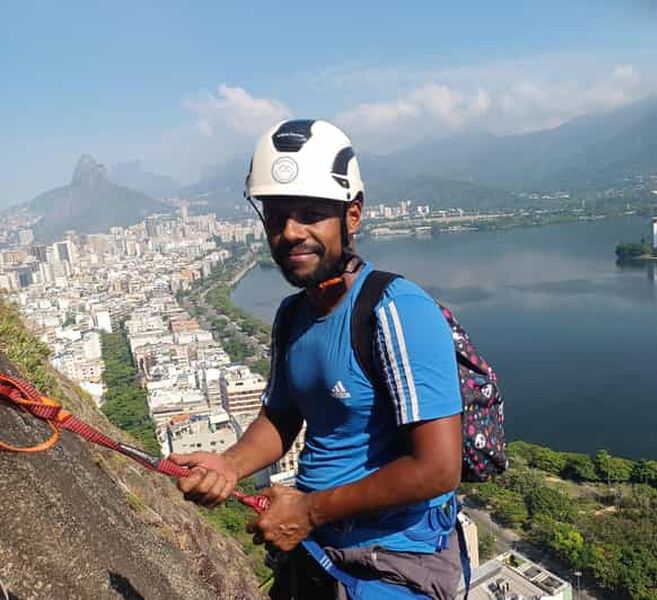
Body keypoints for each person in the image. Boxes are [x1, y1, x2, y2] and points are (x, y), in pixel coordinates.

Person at [172, 119, 464, 599]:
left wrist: (309, 511)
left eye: (310, 214)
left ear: (352, 216)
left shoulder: (398, 312)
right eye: (276, 216)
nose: (290, 232)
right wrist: (229, 465)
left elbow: (437, 468)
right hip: (312, 549)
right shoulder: (292, 315)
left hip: (389, 564)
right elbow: (283, 415)